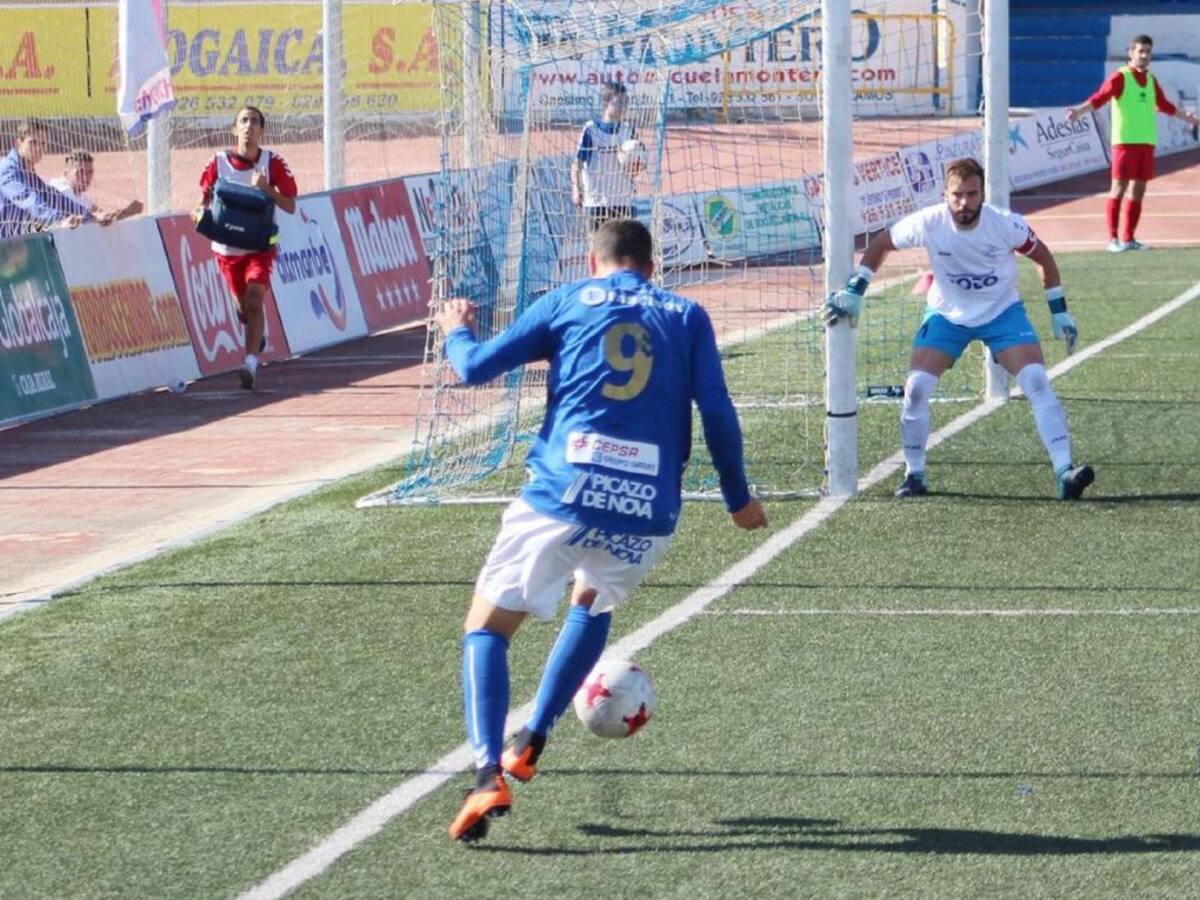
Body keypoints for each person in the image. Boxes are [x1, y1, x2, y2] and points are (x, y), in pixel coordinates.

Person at [437, 219, 767, 843]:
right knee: (591, 598)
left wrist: (456, 330)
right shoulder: (686, 314)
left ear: (595, 260)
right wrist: (736, 496)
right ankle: (532, 738)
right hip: (648, 506)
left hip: (563, 491)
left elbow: (475, 368)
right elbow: (717, 410)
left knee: (487, 628)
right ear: (652, 265)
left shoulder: (570, 299)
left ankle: (486, 776)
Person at [824, 157, 1095, 501]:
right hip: (947, 315)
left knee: (1037, 381)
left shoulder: (1005, 224)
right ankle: (914, 475)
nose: (964, 202)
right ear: (945, 194)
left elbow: (1044, 258)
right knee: (917, 388)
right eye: (957, 195)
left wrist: (1059, 312)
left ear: (983, 193)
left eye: (972, 194)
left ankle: (1065, 472)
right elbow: (881, 244)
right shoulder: (929, 221)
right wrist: (855, 290)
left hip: (1002, 313)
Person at [194, 106, 297, 389]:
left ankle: (250, 363)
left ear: (262, 130)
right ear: (234, 129)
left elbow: (290, 206)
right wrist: (200, 214)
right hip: (227, 249)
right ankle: (256, 334)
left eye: (254, 121)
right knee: (243, 308)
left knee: (255, 300)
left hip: (260, 247)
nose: (248, 126)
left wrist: (267, 189)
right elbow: (203, 200)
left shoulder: (272, 162)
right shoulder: (218, 162)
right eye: (243, 121)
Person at [1065, 34, 1199, 252]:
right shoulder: (1120, 77)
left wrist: (1188, 118)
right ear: (1131, 52)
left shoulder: (1151, 80)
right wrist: (1079, 111)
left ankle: (1129, 238)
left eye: (1148, 52)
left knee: (1138, 191)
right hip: (1125, 144)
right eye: (1140, 51)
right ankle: (1113, 239)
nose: (1145, 56)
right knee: (1118, 189)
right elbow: (1100, 98)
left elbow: (1164, 105)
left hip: (1146, 143)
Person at [0, 119, 93, 240]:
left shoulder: (30, 176)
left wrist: (91, 217)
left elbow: (56, 199)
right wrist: (58, 221)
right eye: (33, 142)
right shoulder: (7, 171)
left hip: (16, 244)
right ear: (19, 143)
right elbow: (28, 200)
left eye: (43, 143)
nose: (39, 148)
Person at [571, 82, 640, 232]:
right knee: (597, 248)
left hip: (622, 200)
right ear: (606, 103)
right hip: (596, 201)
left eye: (625, 102)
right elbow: (577, 163)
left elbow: (637, 164)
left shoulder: (629, 130)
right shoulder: (591, 129)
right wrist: (576, 189)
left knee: (623, 250)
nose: (623, 106)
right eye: (618, 102)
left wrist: (636, 166)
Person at [49, 149, 144, 225]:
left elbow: (103, 217)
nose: (86, 177)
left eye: (90, 172)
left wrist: (127, 211)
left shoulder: (85, 198)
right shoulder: (60, 190)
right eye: (80, 172)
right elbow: (96, 218)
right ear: (66, 173)